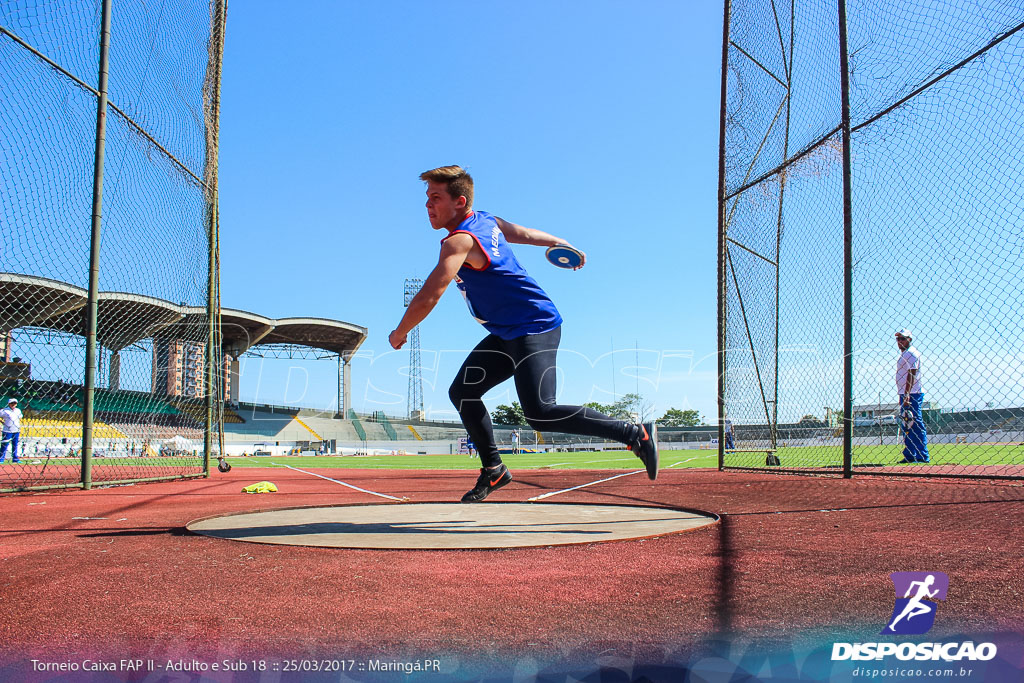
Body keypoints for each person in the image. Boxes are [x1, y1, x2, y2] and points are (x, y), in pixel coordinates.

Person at [389, 166, 658, 502]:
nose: (427, 205)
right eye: (427, 198)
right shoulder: (485, 220)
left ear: (459, 202)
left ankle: (633, 434)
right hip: (505, 333)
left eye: (435, 198)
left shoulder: (460, 241)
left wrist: (401, 331)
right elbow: (525, 234)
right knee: (463, 392)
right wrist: (559, 242)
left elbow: (431, 293)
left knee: (540, 412)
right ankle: (494, 470)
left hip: (535, 325)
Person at [895, 328, 929, 463]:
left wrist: (908, 393)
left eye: (903, 338)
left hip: (912, 393)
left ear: (909, 339)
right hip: (905, 393)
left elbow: (912, 373)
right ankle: (910, 454)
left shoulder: (911, 354)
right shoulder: (905, 354)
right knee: (907, 424)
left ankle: (922, 455)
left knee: (915, 423)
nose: (900, 341)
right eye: (898, 339)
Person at [0, 398, 23, 464]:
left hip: (16, 430)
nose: (13, 404)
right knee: (4, 445)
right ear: (9, 404)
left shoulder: (18, 410)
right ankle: (1, 458)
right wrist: (2, 422)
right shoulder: (4, 411)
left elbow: (20, 417)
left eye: (15, 403)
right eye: (12, 403)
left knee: (15, 445)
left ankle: (15, 458)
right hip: (7, 431)